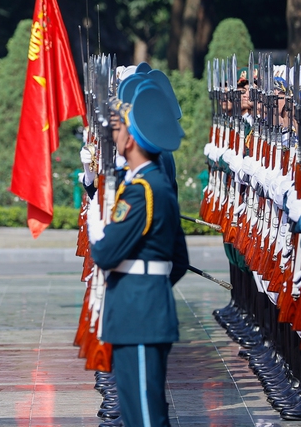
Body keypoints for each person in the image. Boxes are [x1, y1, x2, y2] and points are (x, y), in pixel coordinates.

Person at [86, 81, 186, 427]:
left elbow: (104, 252)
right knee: (137, 414)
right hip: (141, 309)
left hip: (140, 314)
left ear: (131, 139)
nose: (114, 137)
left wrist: (96, 222)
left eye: (118, 129)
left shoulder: (144, 190)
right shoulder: (149, 184)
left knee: (144, 418)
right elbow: (179, 260)